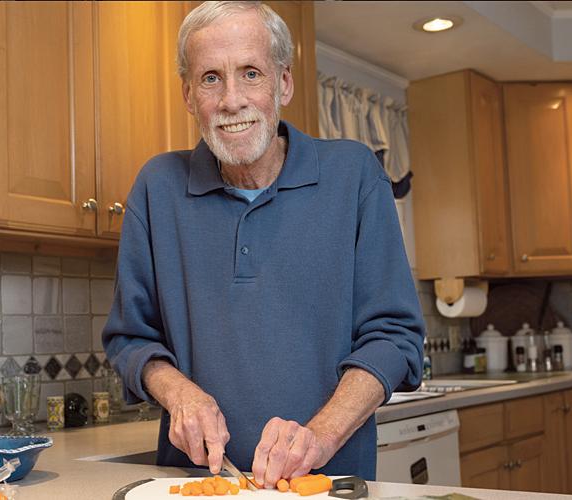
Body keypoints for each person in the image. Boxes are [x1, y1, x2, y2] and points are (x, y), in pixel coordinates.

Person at [102, 0, 424, 488]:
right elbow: (130, 339)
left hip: (326, 485)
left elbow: (395, 337)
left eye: (251, 73)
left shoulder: (354, 176)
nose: (231, 100)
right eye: (211, 78)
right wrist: (180, 394)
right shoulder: (157, 187)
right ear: (189, 96)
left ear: (284, 83)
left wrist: (319, 436)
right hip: (198, 485)